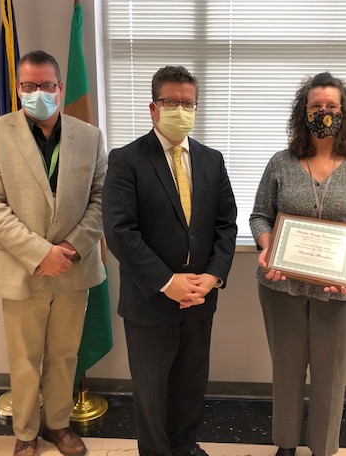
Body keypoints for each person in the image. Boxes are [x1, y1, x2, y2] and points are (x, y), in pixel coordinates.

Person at [0, 50, 106, 456]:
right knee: (25, 359)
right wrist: (39, 253)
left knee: (65, 355)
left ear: (60, 88)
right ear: (18, 89)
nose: (38, 94)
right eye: (29, 86)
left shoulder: (89, 136)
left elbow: (101, 198)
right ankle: (26, 432)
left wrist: (68, 247)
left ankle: (59, 426)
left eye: (47, 86)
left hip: (73, 268)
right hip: (21, 269)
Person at [249, 72, 346, 456]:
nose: (323, 113)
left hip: (345, 290)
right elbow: (260, 216)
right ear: (302, 111)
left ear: (345, 113)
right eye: (315, 106)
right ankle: (286, 445)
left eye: (331, 107)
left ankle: (323, 448)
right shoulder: (281, 162)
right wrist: (267, 246)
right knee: (287, 370)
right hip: (282, 286)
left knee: (331, 376)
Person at [103, 65, 237, 456]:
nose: (181, 109)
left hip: (200, 298)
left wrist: (212, 276)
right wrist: (167, 281)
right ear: (153, 108)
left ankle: (185, 447)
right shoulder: (127, 159)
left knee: (191, 386)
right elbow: (120, 233)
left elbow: (225, 225)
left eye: (188, 103)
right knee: (151, 393)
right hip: (149, 302)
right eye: (171, 102)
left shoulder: (212, 160)